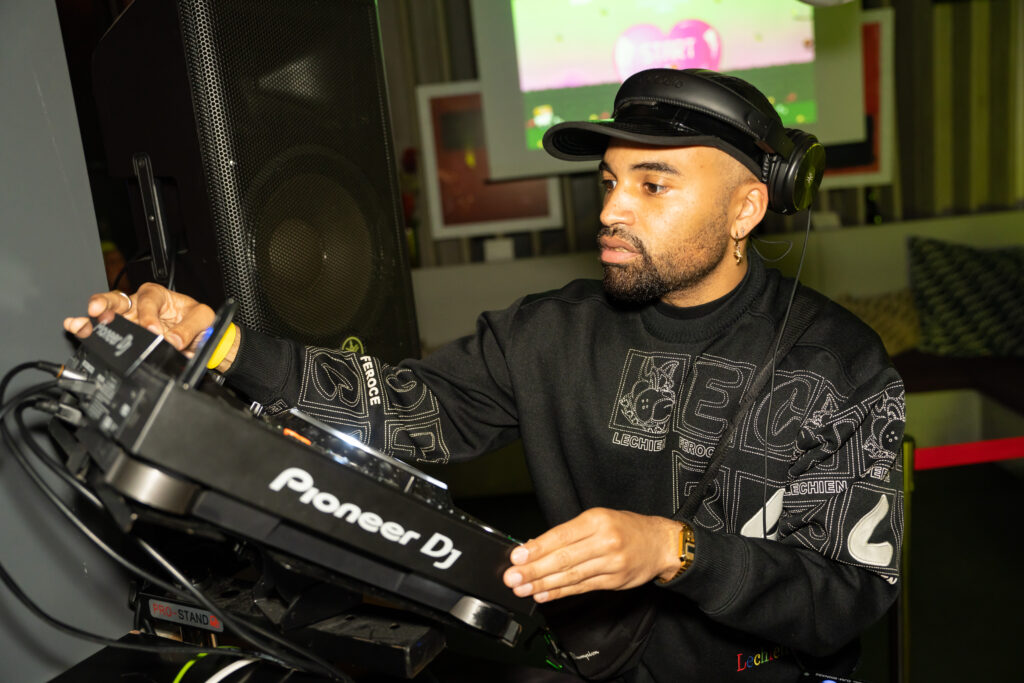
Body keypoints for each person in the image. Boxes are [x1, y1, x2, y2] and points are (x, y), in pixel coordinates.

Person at [65, 68, 904, 682]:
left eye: (654, 184)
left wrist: (673, 549)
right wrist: (222, 344)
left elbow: (851, 593)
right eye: (610, 181)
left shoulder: (845, 368)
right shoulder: (548, 333)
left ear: (747, 209)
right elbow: (403, 409)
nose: (611, 208)